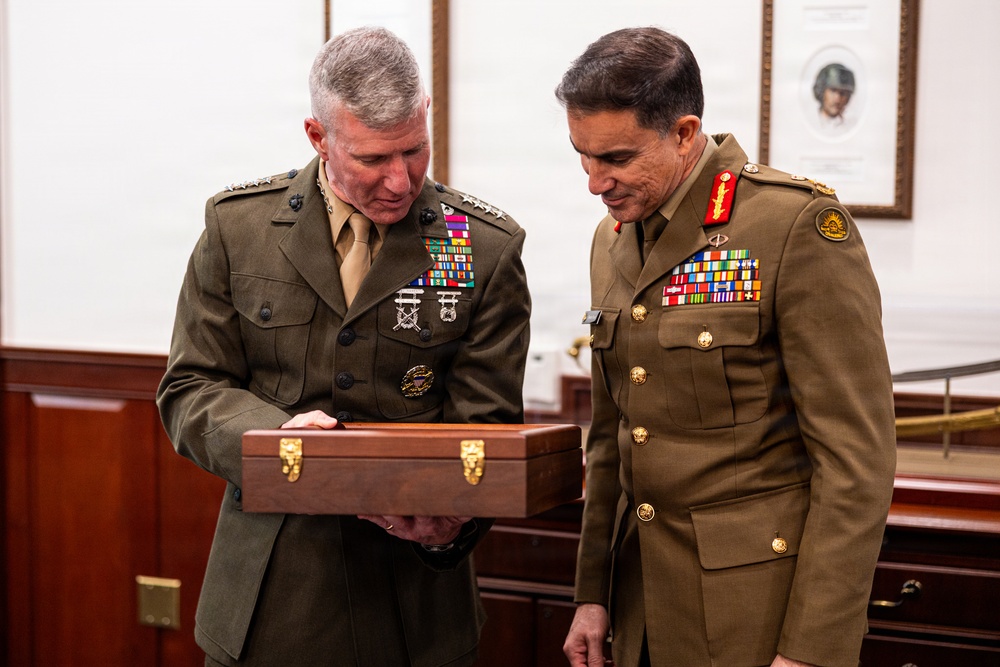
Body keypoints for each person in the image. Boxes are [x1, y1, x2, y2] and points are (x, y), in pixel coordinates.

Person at [157, 26, 530, 666]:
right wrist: (280, 439)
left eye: (414, 151)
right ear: (318, 137)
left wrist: (453, 522)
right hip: (271, 595)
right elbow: (190, 389)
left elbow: (487, 426)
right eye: (371, 159)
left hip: (415, 606)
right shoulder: (237, 229)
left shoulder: (483, 249)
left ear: (427, 118)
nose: (399, 181)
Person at [556, 28, 895, 667]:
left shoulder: (792, 227)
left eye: (618, 158)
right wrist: (592, 593)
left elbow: (855, 463)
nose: (595, 182)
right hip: (639, 608)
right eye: (583, 155)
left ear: (684, 134)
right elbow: (613, 437)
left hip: (753, 616)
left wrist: (813, 651)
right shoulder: (613, 239)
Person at [813, 63, 856, 130]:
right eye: (833, 91)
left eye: (843, 93)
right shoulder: (812, 123)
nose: (837, 99)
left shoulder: (851, 127)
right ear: (821, 91)